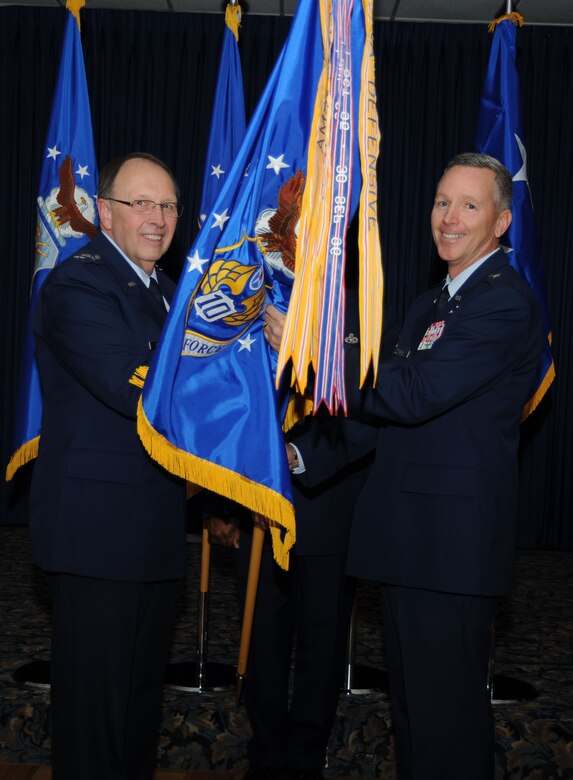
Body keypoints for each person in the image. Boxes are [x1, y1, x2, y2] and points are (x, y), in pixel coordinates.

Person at [338, 152, 544, 780]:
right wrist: (295, 459)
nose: (449, 218)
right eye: (440, 202)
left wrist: (321, 348)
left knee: (447, 727)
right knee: (415, 719)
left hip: (449, 552)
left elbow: (412, 393)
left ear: (501, 223)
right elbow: (385, 418)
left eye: (469, 206)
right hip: (409, 542)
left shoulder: (503, 303)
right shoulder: (433, 302)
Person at [29, 152, 188, 780]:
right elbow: (140, 391)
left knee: (135, 719)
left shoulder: (170, 294)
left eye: (169, 205)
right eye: (140, 203)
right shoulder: (77, 285)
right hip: (96, 538)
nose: (157, 217)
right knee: (94, 727)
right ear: (104, 213)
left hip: (150, 531)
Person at [206, 294, 381, 780]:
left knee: (321, 647)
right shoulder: (253, 299)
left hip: (326, 505)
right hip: (256, 502)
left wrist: (295, 456)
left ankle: (306, 758)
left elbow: (371, 412)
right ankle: (265, 752)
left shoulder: (360, 308)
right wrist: (223, 502)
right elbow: (228, 397)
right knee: (262, 638)